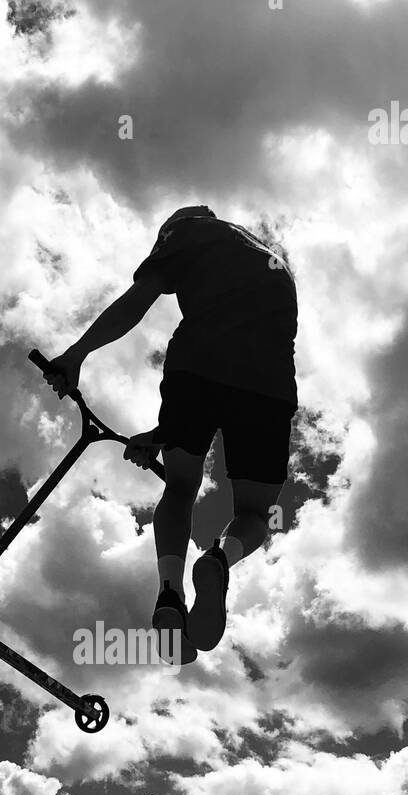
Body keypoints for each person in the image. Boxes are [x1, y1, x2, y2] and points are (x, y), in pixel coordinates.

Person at [44, 205, 297, 664]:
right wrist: (160, 435)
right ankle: (219, 559)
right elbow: (238, 363)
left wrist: (76, 355)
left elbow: (138, 301)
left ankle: (168, 592)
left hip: (195, 367)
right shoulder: (269, 258)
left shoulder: (188, 232)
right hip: (270, 384)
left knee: (180, 486)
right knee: (256, 511)